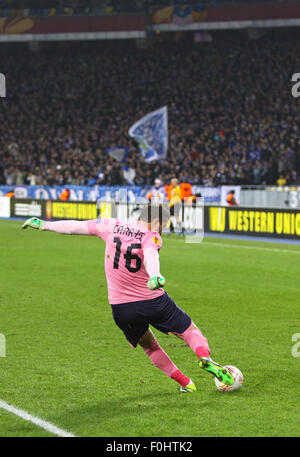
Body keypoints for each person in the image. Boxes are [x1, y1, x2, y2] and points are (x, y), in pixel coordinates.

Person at [22, 205, 234, 393]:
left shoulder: (109, 225)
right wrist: (154, 276)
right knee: (190, 331)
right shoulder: (150, 235)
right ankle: (204, 357)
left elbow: (74, 227)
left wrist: (44, 224)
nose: (163, 230)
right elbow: (151, 255)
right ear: (157, 220)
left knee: (150, 346)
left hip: (121, 308)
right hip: (152, 301)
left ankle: (185, 382)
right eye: (164, 225)